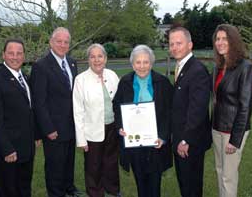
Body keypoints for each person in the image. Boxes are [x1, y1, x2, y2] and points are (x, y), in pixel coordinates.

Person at [0, 38, 39, 197]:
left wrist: (36, 136)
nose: (15, 57)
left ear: (24, 56)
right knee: (8, 191)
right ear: (3, 55)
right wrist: (7, 148)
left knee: (24, 188)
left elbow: (29, 110)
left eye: (19, 53)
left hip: (26, 149)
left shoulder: (25, 78)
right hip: (9, 151)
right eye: (11, 53)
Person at [113, 45, 173, 197]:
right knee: (140, 183)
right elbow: (117, 107)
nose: (142, 66)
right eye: (138, 62)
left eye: (145, 62)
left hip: (155, 143)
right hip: (134, 144)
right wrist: (120, 127)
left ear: (151, 63)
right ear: (133, 64)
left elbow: (170, 113)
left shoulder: (163, 83)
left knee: (154, 185)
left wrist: (163, 137)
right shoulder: (125, 82)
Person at [30, 27, 80, 197]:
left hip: (71, 124)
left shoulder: (72, 63)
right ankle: (56, 193)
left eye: (66, 42)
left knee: (68, 160)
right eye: (59, 41)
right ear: (51, 42)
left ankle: (69, 188)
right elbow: (39, 101)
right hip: (54, 127)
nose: (63, 45)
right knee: (54, 164)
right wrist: (47, 128)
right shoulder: (41, 66)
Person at [212, 24, 252, 197]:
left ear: (234, 41)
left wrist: (235, 139)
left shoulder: (245, 68)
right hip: (216, 128)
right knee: (219, 171)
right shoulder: (218, 66)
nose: (220, 42)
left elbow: (245, 107)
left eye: (225, 38)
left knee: (228, 177)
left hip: (232, 131)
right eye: (218, 39)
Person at [73, 43, 120, 197]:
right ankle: (95, 192)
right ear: (88, 60)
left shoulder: (112, 75)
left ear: (105, 58)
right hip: (92, 131)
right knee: (94, 166)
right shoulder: (81, 80)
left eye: (100, 56)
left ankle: (112, 189)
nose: (97, 60)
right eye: (92, 57)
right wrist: (81, 140)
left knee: (111, 162)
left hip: (112, 127)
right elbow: (78, 111)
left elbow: (120, 102)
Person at [169, 27, 211, 197]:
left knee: (191, 185)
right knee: (185, 183)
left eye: (179, 43)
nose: (174, 47)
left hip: (190, 142)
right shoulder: (181, 66)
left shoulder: (197, 70)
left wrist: (185, 140)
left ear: (190, 45)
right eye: (171, 44)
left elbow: (198, 110)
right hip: (181, 138)